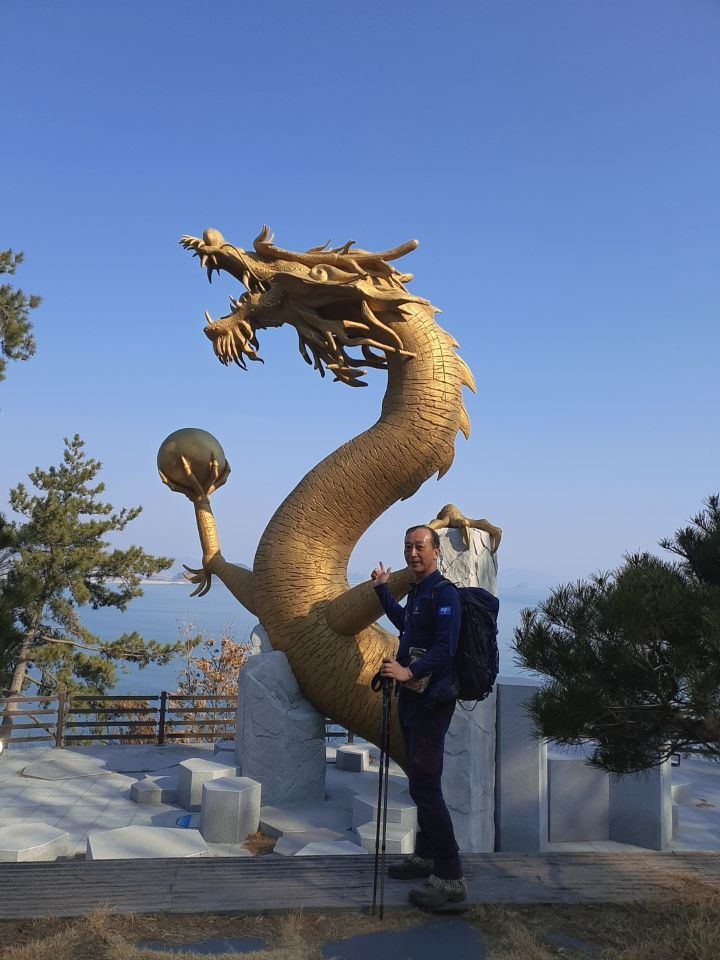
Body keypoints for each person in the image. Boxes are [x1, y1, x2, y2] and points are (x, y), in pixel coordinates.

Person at [371, 525, 466, 909]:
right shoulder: (418, 592)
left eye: (420, 547)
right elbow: (407, 626)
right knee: (420, 781)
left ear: (436, 551)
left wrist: (408, 670)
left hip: (432, 702)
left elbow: (446, 648)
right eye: (408, 546)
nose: (413, 553)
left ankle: (450, 876)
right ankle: (426, 855)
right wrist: (382, 590)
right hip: (412, 699)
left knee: (426, 786)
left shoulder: (445, 595)